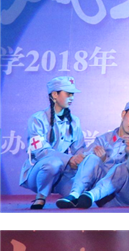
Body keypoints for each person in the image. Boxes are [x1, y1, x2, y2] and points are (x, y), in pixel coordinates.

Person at [57, 101, 129, 209]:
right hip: (107, 198)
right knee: (92, 158)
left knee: (122, 168)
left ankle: (91, 195)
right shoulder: (103, 139)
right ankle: (75, 195)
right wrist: (99, 160)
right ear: (123, 114)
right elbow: (82, 160)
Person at [21, 76, 85, 209]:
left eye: (73, 94)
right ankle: (40, 197)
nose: (71, 98)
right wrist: (69, 159)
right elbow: (41, 152)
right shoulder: (37, 119)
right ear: (55, 94)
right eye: (68, 93)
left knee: (80, 192)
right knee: (53, 163)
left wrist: (81, 159)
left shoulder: (74, 121)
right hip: (39, 172)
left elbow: (79, 148)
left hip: (62, 174)